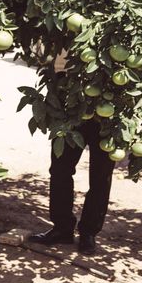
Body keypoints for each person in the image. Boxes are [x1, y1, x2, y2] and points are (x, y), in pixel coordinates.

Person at [28, 51, 115, 255]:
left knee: (101, 175)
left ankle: (89, 233)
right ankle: (62, 227)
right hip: (69, 98)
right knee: (59, 169)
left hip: (108, 106)